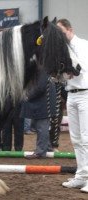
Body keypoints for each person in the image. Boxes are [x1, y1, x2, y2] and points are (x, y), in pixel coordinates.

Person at [57, 18, 88, 193]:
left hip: (85, 93)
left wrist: (64, 72)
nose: (61, 37)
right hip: (72, 95)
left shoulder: (83, 46)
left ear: (70, 30)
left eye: (62, 33)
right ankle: (82, 175)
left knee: (86, 138)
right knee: (76, 139)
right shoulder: (65, 49)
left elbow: (79, 69)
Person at [21, 69, 56, 159]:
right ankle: (47, 148)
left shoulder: (42, 69)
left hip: (43, 105)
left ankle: (40, 152)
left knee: (41, 128)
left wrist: (28, 95)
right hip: (42, 104)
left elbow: (40, 87)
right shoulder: (41, 69)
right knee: (41, 127)